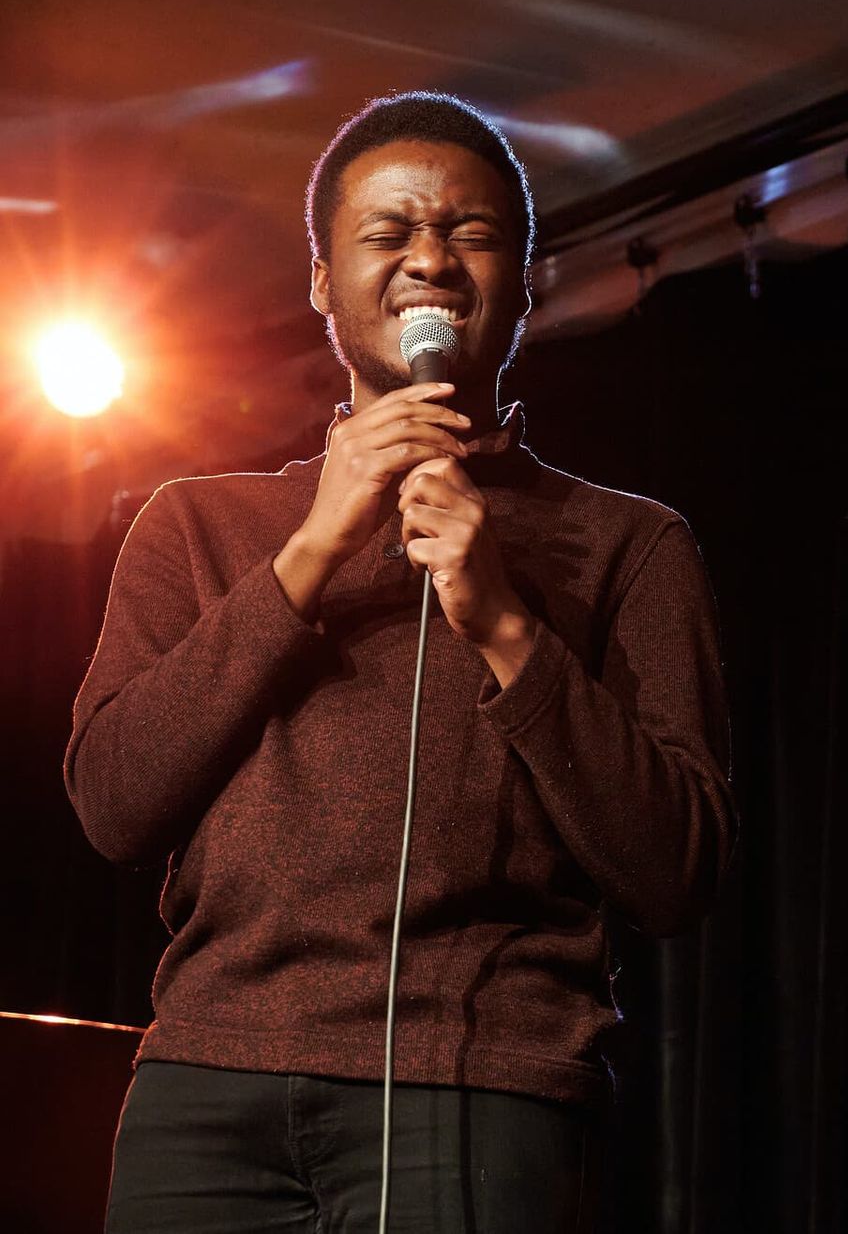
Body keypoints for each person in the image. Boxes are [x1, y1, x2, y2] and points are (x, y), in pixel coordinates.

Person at [65, 91, 735, 1231]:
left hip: (485, 1089)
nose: (429, 257)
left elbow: (676, 869)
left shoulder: (631, 543)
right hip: (208, 1089)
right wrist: (315, 545)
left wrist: (507, 628)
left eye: (470, 233)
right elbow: (115, 805)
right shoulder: (197, 524)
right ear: (323, 279)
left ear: (527, 280)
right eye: (388, 233)